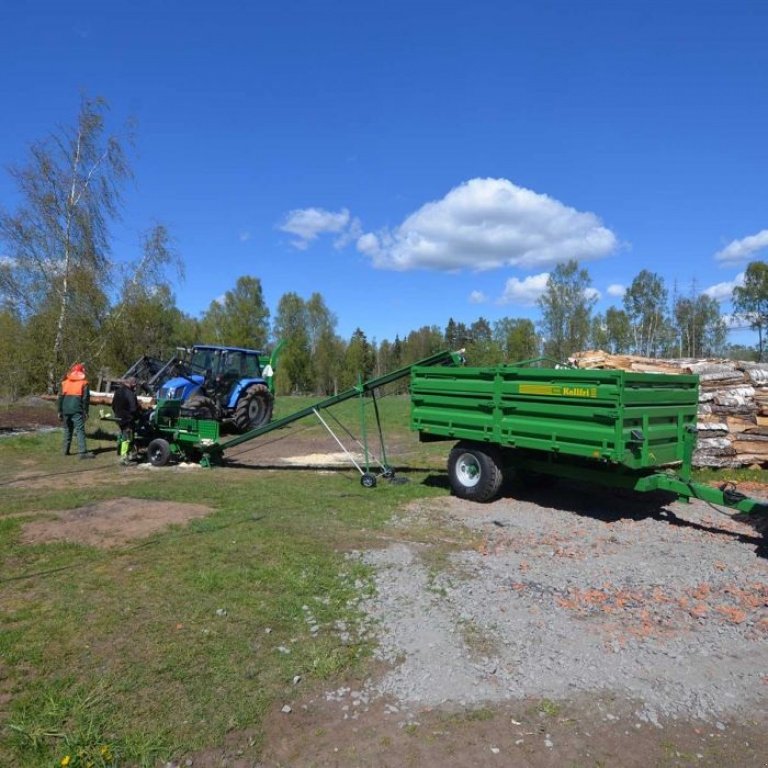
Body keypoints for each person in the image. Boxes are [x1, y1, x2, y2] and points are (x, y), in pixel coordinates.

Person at [58, 362, 94, 459]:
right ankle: (82, 452)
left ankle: (65, 451)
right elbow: (85, 399)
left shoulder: (64, 383)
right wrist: (85, 412)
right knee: (80, 430)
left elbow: (60, 398)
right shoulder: (84, 383)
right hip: (77, 410)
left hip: (65, 409)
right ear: (82, 372)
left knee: (67, 429)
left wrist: (59, 411)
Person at [112, 377, 140, 463]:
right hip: (128, 419)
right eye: (135, 385)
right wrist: (138, 415)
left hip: (119, 417)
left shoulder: (118, 391)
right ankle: (124, 458)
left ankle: (125, 453)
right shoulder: (130, 393)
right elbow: (133, 409)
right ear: (132, 384)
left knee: (122, 435)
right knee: (127, 438)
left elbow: (113, 405)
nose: (135, 387)